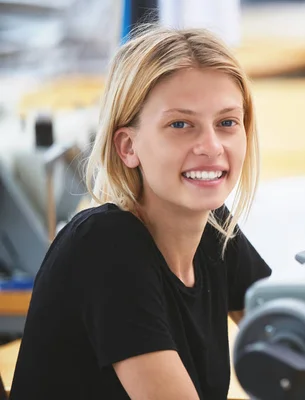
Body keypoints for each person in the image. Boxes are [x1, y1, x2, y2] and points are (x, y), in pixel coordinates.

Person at [10, 24, 271, 399]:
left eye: (227, 122)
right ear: (127, 146)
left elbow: (302, 341)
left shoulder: (214, 228)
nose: (212, 146)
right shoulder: (105, 245)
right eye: (180, 124)